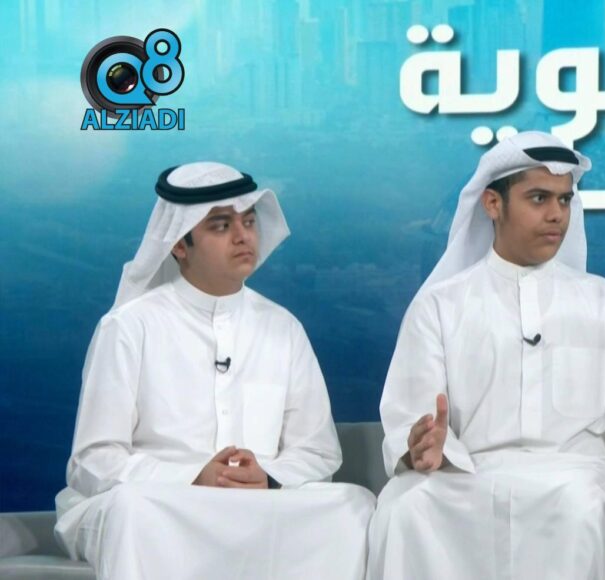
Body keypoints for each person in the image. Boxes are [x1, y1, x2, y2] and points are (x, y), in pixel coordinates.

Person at [368, 132, 605, 580]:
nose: (556, 214)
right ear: (492, 204)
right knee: (406, 506)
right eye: (539, 198)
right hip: (466, 473)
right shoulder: (439, 306)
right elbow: (411, 415)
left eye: (564, 200)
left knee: (587, 506)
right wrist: (425, 447)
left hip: (583, 476)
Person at [54, 161, 376, 580]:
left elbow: (318, 452)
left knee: (353, 505)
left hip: (257, 506)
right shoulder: (129, 327)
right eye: (222, 226)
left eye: (249, 221)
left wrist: (269, 477)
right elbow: (93, 460)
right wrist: (193, 477)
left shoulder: (283, 328)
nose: (243, 236)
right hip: (165, 504)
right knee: (134, 509)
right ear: (179, 244)